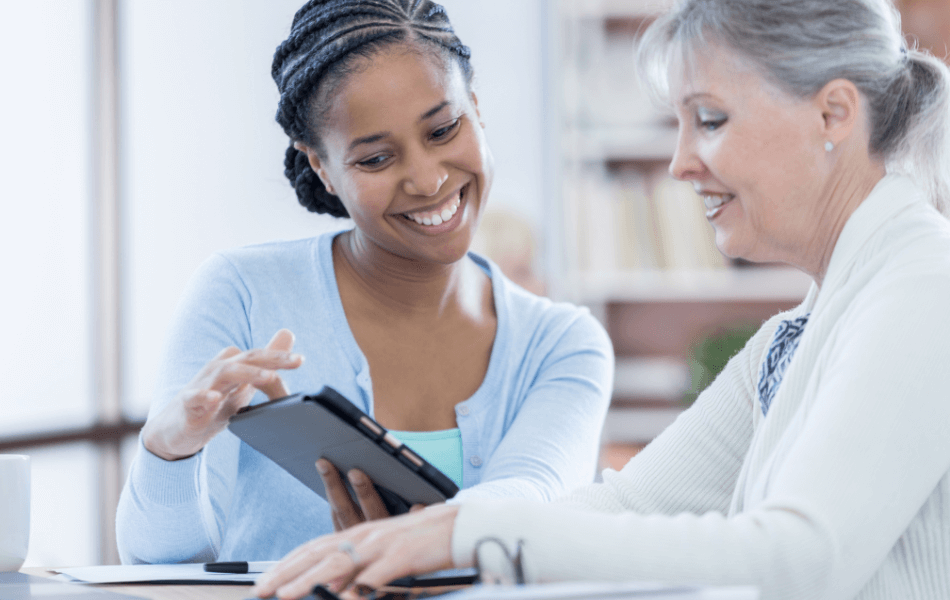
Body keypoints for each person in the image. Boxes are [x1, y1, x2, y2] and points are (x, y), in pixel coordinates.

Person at [250, 1, 950, 599]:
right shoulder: (800, 331)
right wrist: (433, 547)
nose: (679, 162)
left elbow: (802, 558)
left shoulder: (923, 284)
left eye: (709, 120)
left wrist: (472, 534)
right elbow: (624, 508)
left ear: (833, 113)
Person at [115, 0, 613, 565]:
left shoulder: (564, 345)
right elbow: (157, 563)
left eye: (445, 129)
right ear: (322, 167)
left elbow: (531, 506)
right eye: (376, 159)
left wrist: (408, 544)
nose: (427, 179)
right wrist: (170, 451)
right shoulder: (241, 293)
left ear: (475, 108)